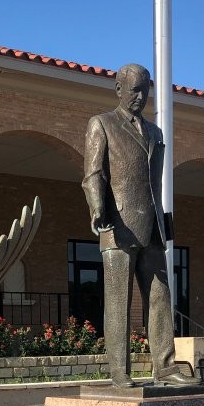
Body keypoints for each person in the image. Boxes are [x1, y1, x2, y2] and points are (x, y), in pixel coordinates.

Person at [82, 62, 190, 388]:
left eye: (145, 91)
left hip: (153, 227)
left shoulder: (155, 132)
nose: (140, 97)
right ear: (118, 89)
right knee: (118, 303)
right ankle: (119, 371)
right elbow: (93, 174)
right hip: (117, 226)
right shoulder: (102, 124)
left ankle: (165, 368)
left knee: (160, 299)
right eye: (134, 91)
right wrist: (97, 209)